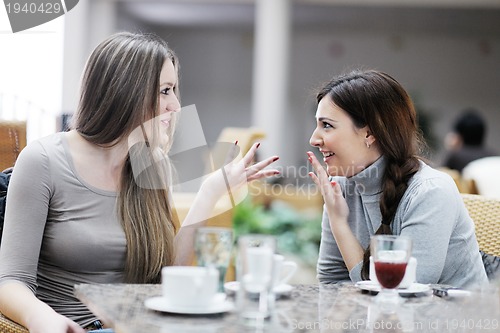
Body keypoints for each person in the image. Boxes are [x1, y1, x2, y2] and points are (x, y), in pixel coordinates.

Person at [0, 32, 279, 333]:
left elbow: (164, 277)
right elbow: (10, 282)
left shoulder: (152, 165)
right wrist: (42, 318)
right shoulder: (43, 160)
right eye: (164, 91)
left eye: (174, 91)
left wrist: (208, 193)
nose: (175, 105)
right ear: (125, 91)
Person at [306, 69, 487, 288]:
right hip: (384, 320)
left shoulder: (430, 191)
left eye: (327, 125)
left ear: (370, 133)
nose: (314, 139)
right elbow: (331, 282)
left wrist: (339, 223)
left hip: (455, 319)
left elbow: (399, 292)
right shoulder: (341, 187)